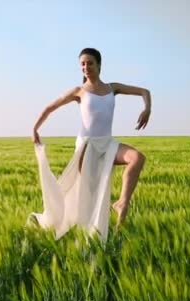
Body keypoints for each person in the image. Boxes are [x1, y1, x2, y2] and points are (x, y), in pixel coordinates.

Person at [30, 47, 151, 242]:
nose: (86, 67)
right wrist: (35, 128)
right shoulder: (79, 91)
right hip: (87, 147)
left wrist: (147, 109)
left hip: (108, 143)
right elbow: (50, 108)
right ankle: (82, 234)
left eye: (90, 63)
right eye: (82, 64)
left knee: (137, 158)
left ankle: (122, 203)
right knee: (90, 196)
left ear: (99, 65)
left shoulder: (113, 88)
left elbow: (145, 91)